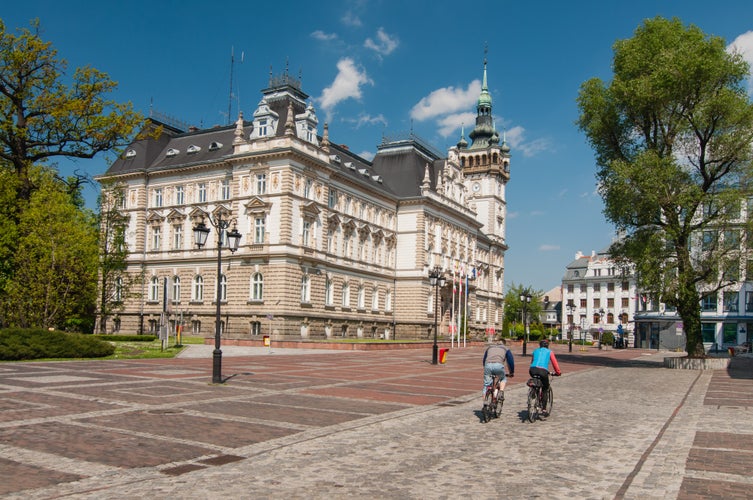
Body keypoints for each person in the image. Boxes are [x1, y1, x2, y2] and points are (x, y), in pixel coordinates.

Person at [529, 339, 561, 415]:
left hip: (532, 369)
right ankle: (543, 408)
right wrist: (558, 372)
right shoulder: (549, 352)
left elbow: (532, 361)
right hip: (543, 371)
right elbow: (554, 363)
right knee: (545, 388)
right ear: (547, 345)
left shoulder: (535, 351)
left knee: (536, 381)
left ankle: (534, 392)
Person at [482, 338, 514, 406]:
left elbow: (484, 359)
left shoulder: (489, 347)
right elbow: (510, 362)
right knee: (503, 378)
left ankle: (485, 401)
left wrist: (485, 367)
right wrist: (511, 372)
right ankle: (501, 392)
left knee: (486, 385)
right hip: (498, 366)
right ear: (504, 343)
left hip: (488, 365)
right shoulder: (506, 349)